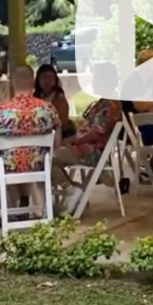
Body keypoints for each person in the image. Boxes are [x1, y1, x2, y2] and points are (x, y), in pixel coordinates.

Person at [0, 65, 61, 216]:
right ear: (33, 82)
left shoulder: (0, 111)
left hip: (8, 168)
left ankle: (7, 211)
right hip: (40, 166)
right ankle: (38, 210)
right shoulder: (49, 109)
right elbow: (56, 144)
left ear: (12, 83)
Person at [52, 63, 122, 214]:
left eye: (96, 78)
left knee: (48, 159)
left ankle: (72, 191)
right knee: (46, 159)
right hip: (84, 147)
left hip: (91, 151)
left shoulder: (110, 105)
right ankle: (74, 191)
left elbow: (97, 132)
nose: (93, 82)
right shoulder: (104, 102)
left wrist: (74, 141)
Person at [33, 63, 75, 137]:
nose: (47, 81)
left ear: (55, 80)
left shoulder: (59, 98)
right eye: (44, 77)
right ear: (38, 80)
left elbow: (63, 123)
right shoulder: (34, 98)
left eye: (51, 77)